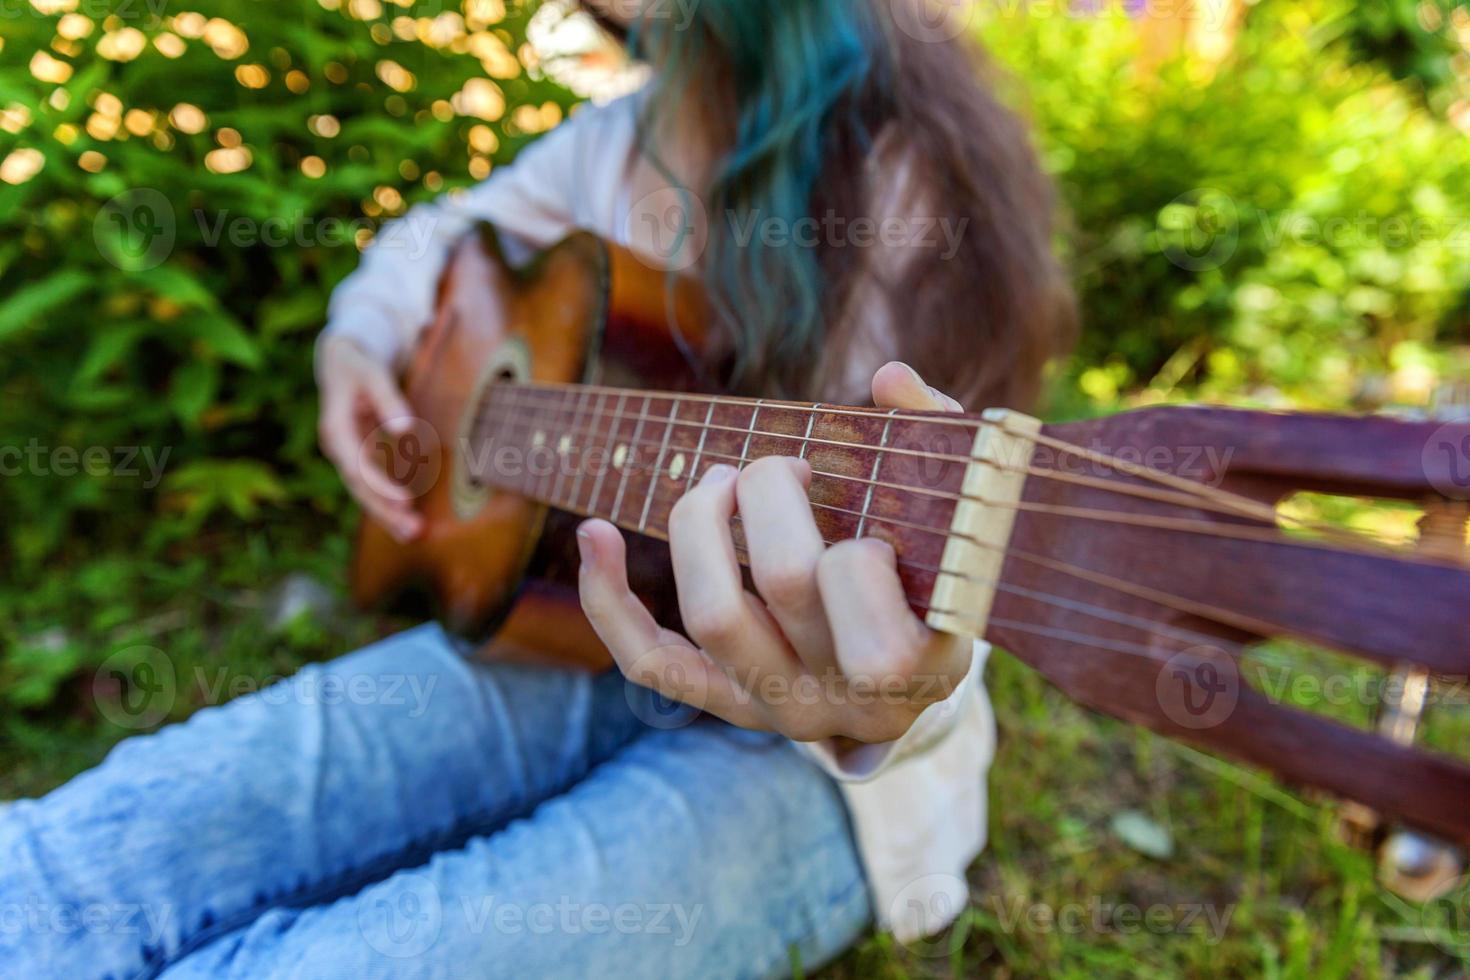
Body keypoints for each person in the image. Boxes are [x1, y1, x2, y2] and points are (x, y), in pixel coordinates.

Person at [0, 1, 1073, 976]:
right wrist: (358, 344)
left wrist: (884, 701)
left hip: (820, 770)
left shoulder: (915, 179)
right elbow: (435, 235)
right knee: (78, 858)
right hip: (572, 634)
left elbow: (945, 568)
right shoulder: (615, 143)